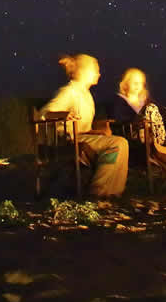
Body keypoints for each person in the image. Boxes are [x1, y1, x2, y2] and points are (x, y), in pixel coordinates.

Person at [39, 53, 129, 197]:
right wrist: (63, 115)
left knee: (118, 144)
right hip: (68, 140)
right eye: (96, 70)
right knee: (117, 145)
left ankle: (112, 192)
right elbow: (44, 113)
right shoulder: (69, 92)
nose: (99, 74)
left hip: (81, 137)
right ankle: (98, 192)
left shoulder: (86, 95)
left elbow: (84, 127)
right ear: (84, 72)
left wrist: (98, 131)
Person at [104, 67, 166, 158]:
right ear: (124, 84)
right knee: (151, 108)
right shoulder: (119, 101)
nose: (137, 85)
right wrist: (141, 115)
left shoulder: (146, 101)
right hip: (138, 136)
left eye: (140, 83)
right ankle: (160, 149)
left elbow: (164, 114)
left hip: (162, 135)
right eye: (134, 82)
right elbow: (118, 118)